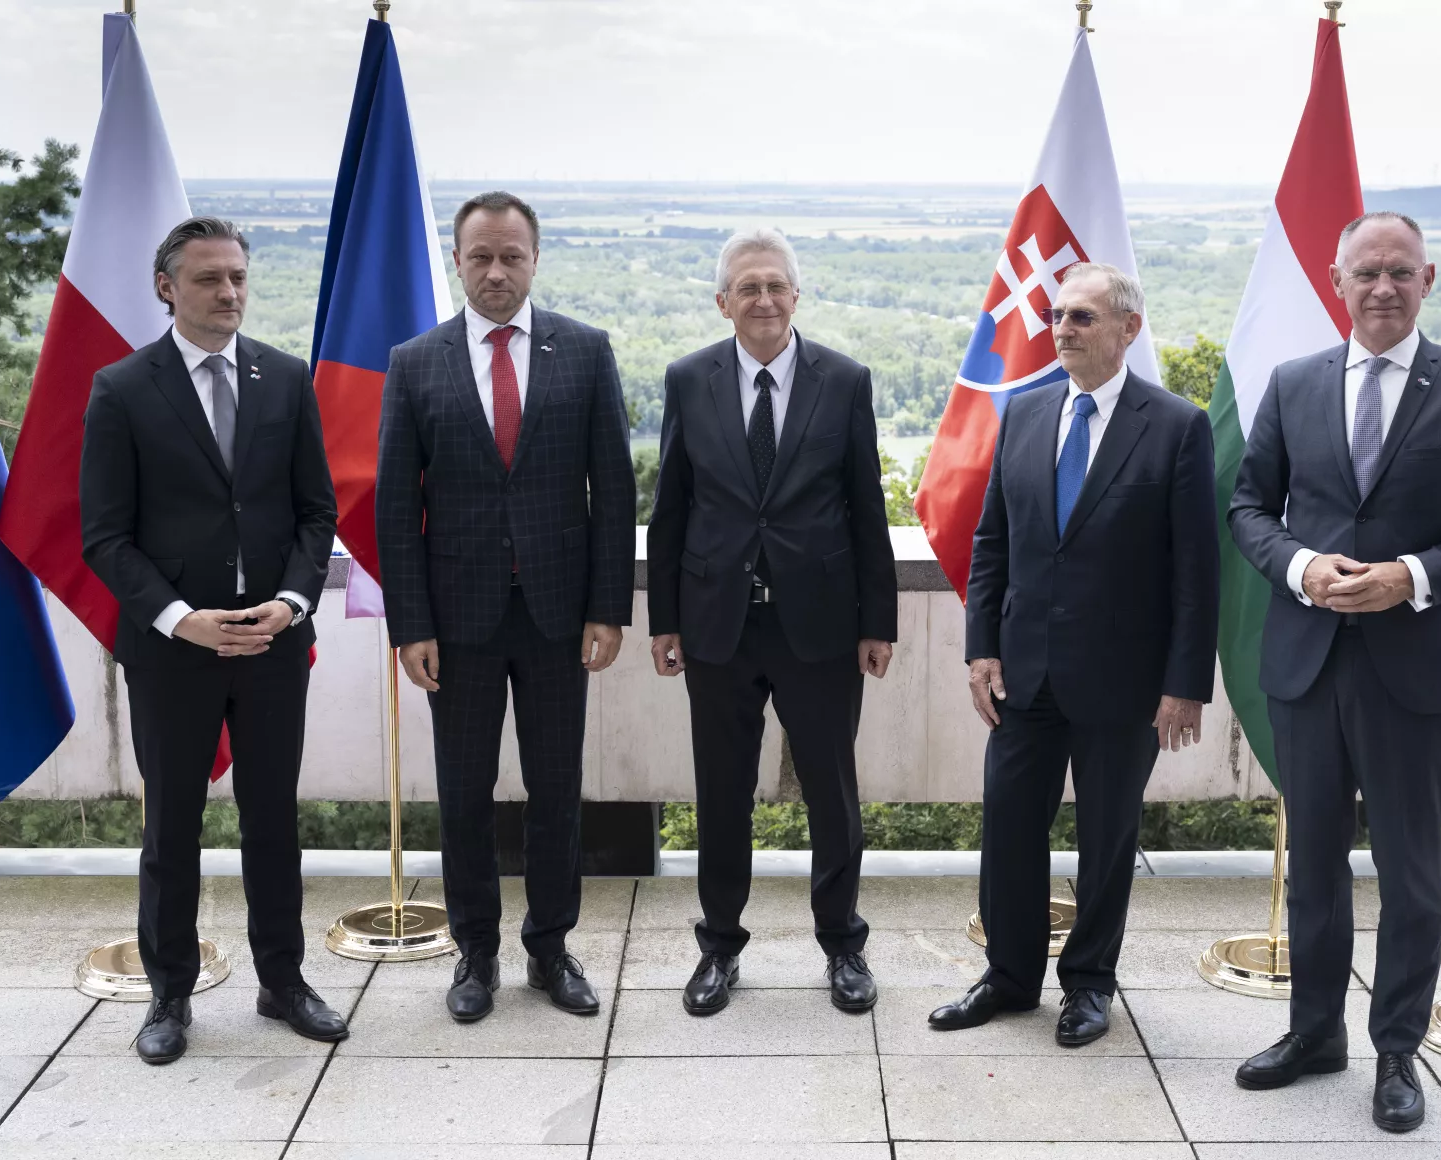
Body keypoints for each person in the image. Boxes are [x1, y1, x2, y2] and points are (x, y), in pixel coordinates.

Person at [1227, 212, 1441, 1132]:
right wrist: (1300, 568)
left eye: (1401, 271)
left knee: (1411, 870)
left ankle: (1397, 1050)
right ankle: (1313, 1032)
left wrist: (1413, 577)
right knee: (1315, 864)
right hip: (1309, 662)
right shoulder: (1292, 384)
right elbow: (1249, 506)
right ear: (1337, 280)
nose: (1384, 287)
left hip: (1413, 668)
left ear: (1427, 279)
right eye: (1367, 272)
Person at [928, 262, 1218, 1046]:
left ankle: (1089, 985)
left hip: (1124, 683)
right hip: (1023, 673)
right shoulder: (1022, 411)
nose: (1063, 329)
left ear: (1129, 328)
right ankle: (1010, 977)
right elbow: (994, 542)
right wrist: (981, 648)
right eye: (1058, 315)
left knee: (1107, 839)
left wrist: (1185, 684)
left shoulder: (1176, 426)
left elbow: (1197, 570)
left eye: (1083, 317)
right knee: (1009, 829)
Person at [80, 216, 344, 1064]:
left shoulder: (286, 378)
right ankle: (168, 996)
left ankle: (284, 981)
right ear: (168, 287)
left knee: (274, 820)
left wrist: (294, 601)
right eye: (208, 280)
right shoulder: (121, 389)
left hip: (271, 645)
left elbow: (315, 513)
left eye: (236, 277)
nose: (228, 293)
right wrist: (180, 618)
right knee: (174, 829)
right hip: (172, 651)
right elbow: (105, 538)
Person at [375, 191, 635, 1024]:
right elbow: (393, 509)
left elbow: (614, 491)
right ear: (457, 260)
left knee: (558, 790)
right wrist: (410, 624)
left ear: (534, 259)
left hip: (562, 616)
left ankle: (550, 949)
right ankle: (475, 955)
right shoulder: (415, 361)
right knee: (463, 794)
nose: (496, 271)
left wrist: (608, 608)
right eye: (480, 256)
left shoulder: (585, 352)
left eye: (511, 256)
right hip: (457, 622)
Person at [646, 228, 897, 1016]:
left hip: (819, 625)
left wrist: (878, 621)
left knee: (833, 792)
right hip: (717, 624)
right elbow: (673, 508)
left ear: (797, 296)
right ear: (723, 301)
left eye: (776, 286)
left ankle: (843, 946)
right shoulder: (689, 379)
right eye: (747, 287)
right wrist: (664, 619)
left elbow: (866, 507)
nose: (763, 299)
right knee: (721, 794)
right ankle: (719, 948)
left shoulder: (845, 380)